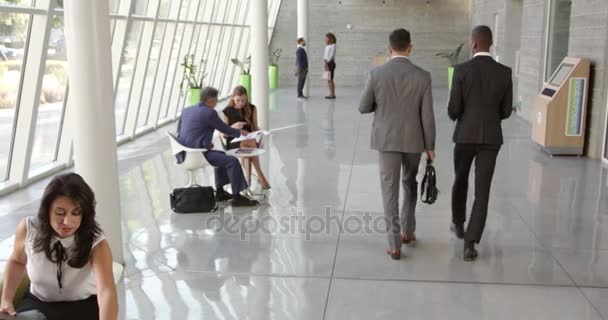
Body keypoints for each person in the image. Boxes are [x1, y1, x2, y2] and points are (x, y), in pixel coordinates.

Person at [359, 28, 436, 260]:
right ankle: (408, 231)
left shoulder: (376, 74)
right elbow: (428, 116)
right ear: (410, 47)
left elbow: (363, 107)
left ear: (389, 48)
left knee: (389, 190)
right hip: (414, 140)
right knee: (409, 184)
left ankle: (394, 246)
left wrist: (380, 106)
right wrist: (430, 147)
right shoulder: (423, 76)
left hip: (387, 139)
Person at [0, 173, 118, 320]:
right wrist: (6, 299)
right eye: (60, 213)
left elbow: (106, 291)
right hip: (37, 304)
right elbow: (17, 261)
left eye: (76, 213)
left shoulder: (97, 244)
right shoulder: (28, 229)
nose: (67, 222)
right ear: (47, 210)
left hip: (82, 307)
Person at [448, 25, 513, 261]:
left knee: (460, 179)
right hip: (491, 139)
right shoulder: (505, 73)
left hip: (465, 136)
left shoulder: (461, 70)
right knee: (482, 191)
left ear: (474, 44)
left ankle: (457, 222)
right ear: (490, 43)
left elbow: (454, 109)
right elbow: (506, 111)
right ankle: (470, 243)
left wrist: (459, 114)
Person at [177, 86, 259, 207]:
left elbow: (180, 133)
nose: (216, 104)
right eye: (215, 101)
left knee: (221, 155)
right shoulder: (209, 112)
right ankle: (237, 197)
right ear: (210, 100)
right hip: (197, 154)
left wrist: (203, 142)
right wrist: (240, 133)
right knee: (232, 161)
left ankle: (220, 193)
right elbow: (223, 128)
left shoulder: (186, 110)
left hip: (183, 154)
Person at [221, 86, 271, 189]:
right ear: (233, 98)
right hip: (233, 141)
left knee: (249, 144)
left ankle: (247, 182)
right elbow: (225, 134)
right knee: (249, 144)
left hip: (249, 140)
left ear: (246, 98)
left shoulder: (252, 108)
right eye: (238, 100)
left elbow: (255, 127)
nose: (240, 103)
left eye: (243, 100)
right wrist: (233, 127)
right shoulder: (227, 111)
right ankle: (260, 176)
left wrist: (258, 133)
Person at [323, 32, 337, 99]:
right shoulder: (327, 46)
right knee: (328, 79)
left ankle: (332, 94)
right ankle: (331, 94)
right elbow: (325, 55)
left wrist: (326, 62)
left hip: (330, 63)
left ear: (330, 38)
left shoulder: (333, 45)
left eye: (326, 38)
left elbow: (331, 55)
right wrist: (324, 61)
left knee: (330, 79)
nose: (325, 39)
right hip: (326, 63)